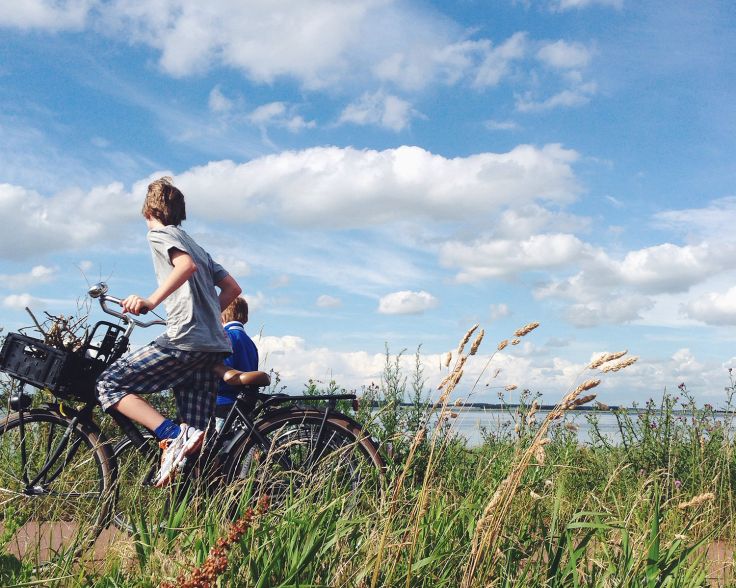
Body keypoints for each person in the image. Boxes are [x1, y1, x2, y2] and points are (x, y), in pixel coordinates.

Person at [96, 176, 241, 487]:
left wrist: (150, 300)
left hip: (185, 340)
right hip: (212, 346)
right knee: (198, 443)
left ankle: (171, 434)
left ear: (151, 211)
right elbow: (232, 288)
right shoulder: (199, 247)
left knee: (108, 383)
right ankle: (207, 505)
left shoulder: (159, 235)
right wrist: (207, 315)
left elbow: (184, 266)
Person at [215, 296, 259, 431]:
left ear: (221, 317)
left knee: (215, 446)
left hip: (224, 402)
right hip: (244, 402)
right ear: (245, 318)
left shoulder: (225, 337)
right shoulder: (250, 342)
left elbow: (222, 371)